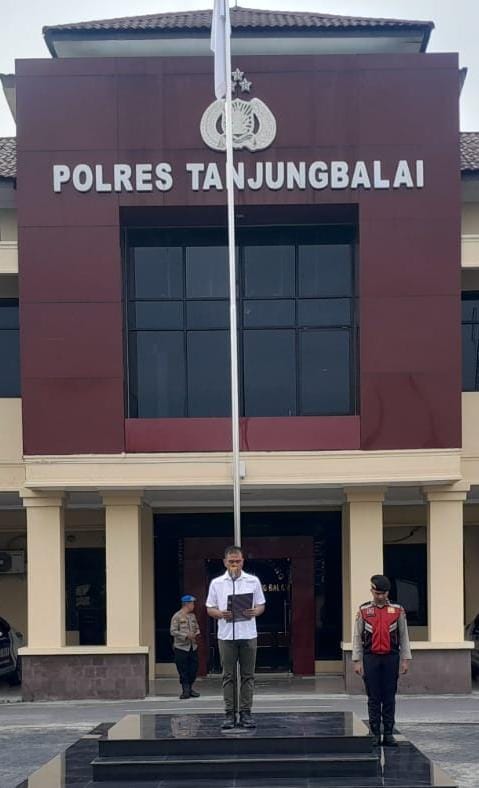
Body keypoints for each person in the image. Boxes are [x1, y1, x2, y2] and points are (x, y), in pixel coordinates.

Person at [206, 545, 265, 730]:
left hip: (248, 633)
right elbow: (210, 608)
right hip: (226, 635)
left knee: (248, 675)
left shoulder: (253, 581)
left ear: (242, 561)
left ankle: (246, 712)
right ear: (225, 562)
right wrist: (220, 614)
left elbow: (261, 605)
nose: (234, 564)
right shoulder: (217, 583)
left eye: (237, 561)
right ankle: (229, 713)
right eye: (231, 561)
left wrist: (255, 611)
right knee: (228, 676)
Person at [352, 574, 412, 747]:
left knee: (389, 696)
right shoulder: (364, 610)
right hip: (370, 657)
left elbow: (404, 636)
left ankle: (388, 733)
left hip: (391, 657)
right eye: (377, 593)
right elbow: (357, 637)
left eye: (383, 593)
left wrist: (405, 659)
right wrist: (357, 660)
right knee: (373, 697)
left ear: (388, 593)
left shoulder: (397, 610)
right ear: (371, 591)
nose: (380, 596)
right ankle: (375, 733)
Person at [170, 594, 201, 700]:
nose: (193, 605)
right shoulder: (177, 616)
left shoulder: (192, 616)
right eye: (192, 603)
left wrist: (196, 633)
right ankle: (185, 690)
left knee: (193, 669)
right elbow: (173, 631)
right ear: (186, 604)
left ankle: (190, 688)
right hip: (181, 647)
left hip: (193, 646)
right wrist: (186, 635)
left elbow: (197, 628)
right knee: (183, 669)